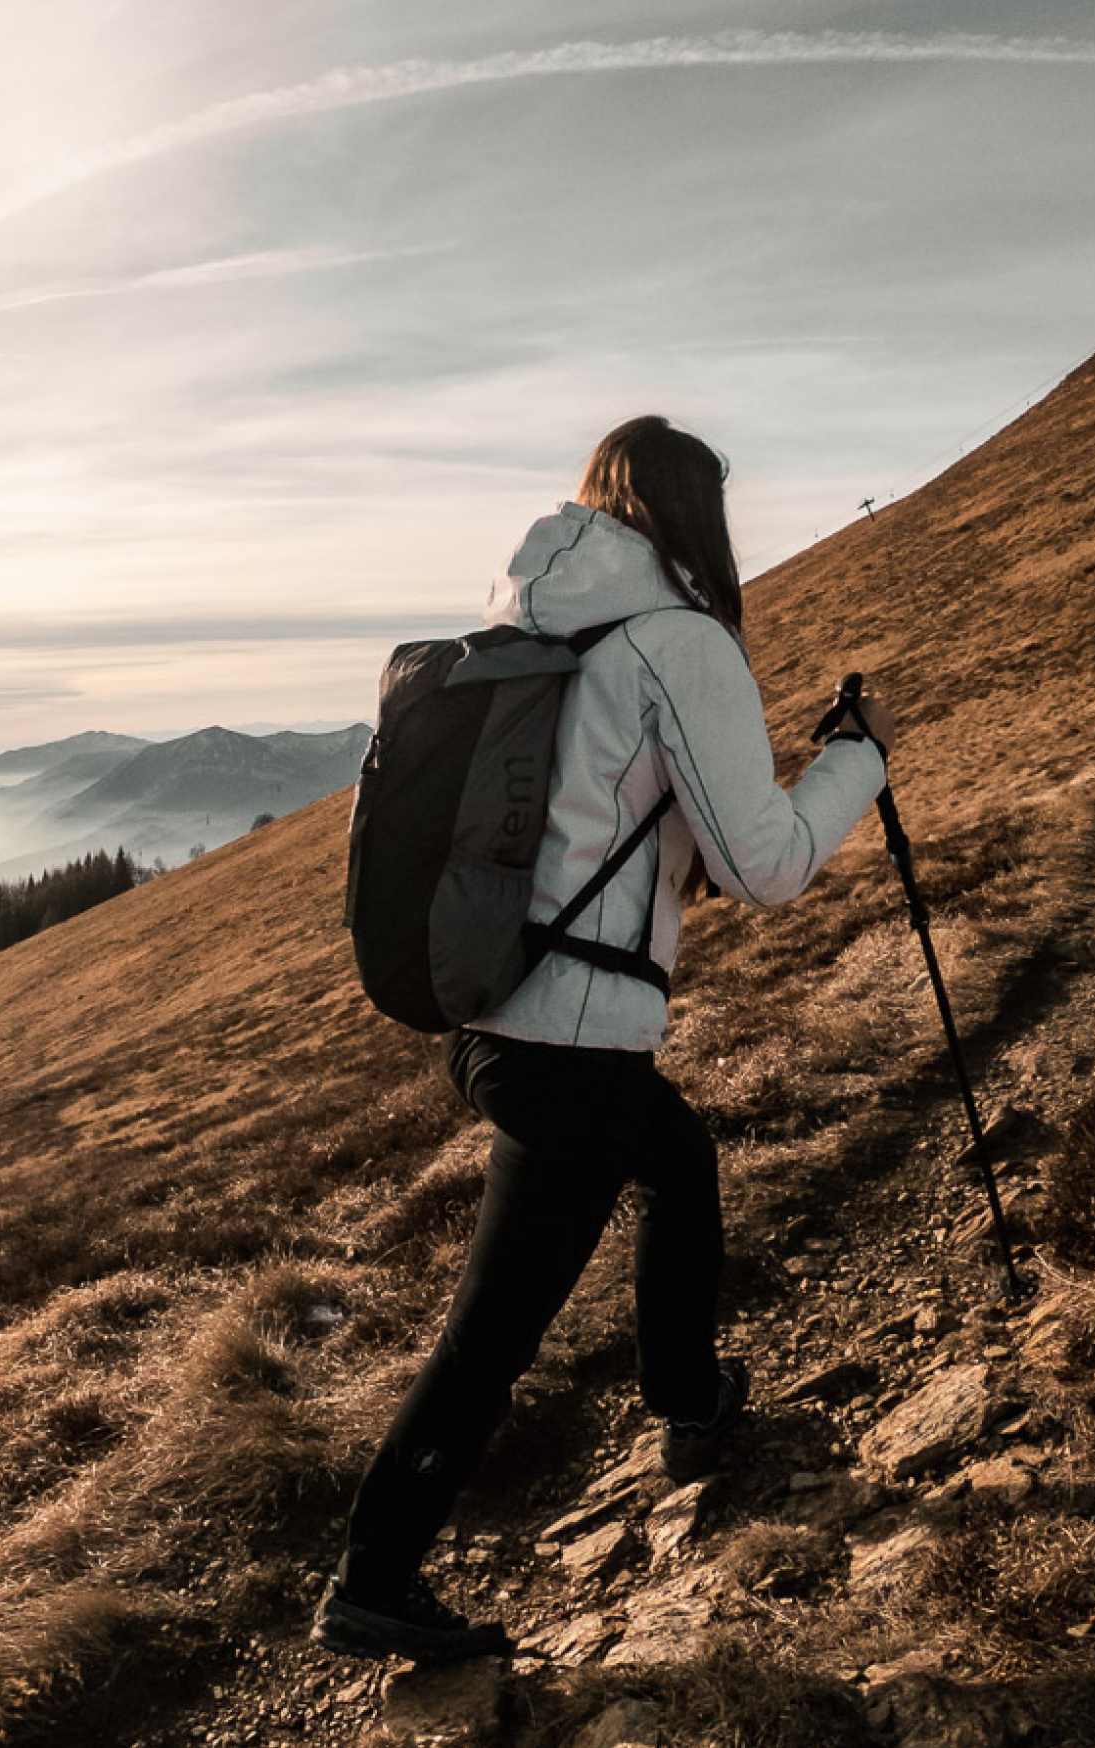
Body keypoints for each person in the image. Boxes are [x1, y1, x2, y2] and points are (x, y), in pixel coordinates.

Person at [311, 415, 897, 1664]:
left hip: (495, 1014)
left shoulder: (534, 624)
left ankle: (689, 1399)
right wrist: (856, 762)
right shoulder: (677, 642)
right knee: (496, 1326)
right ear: (698, 514)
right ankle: (373, 1573)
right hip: (573, 1042)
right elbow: (765, 866)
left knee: (678, 1160)